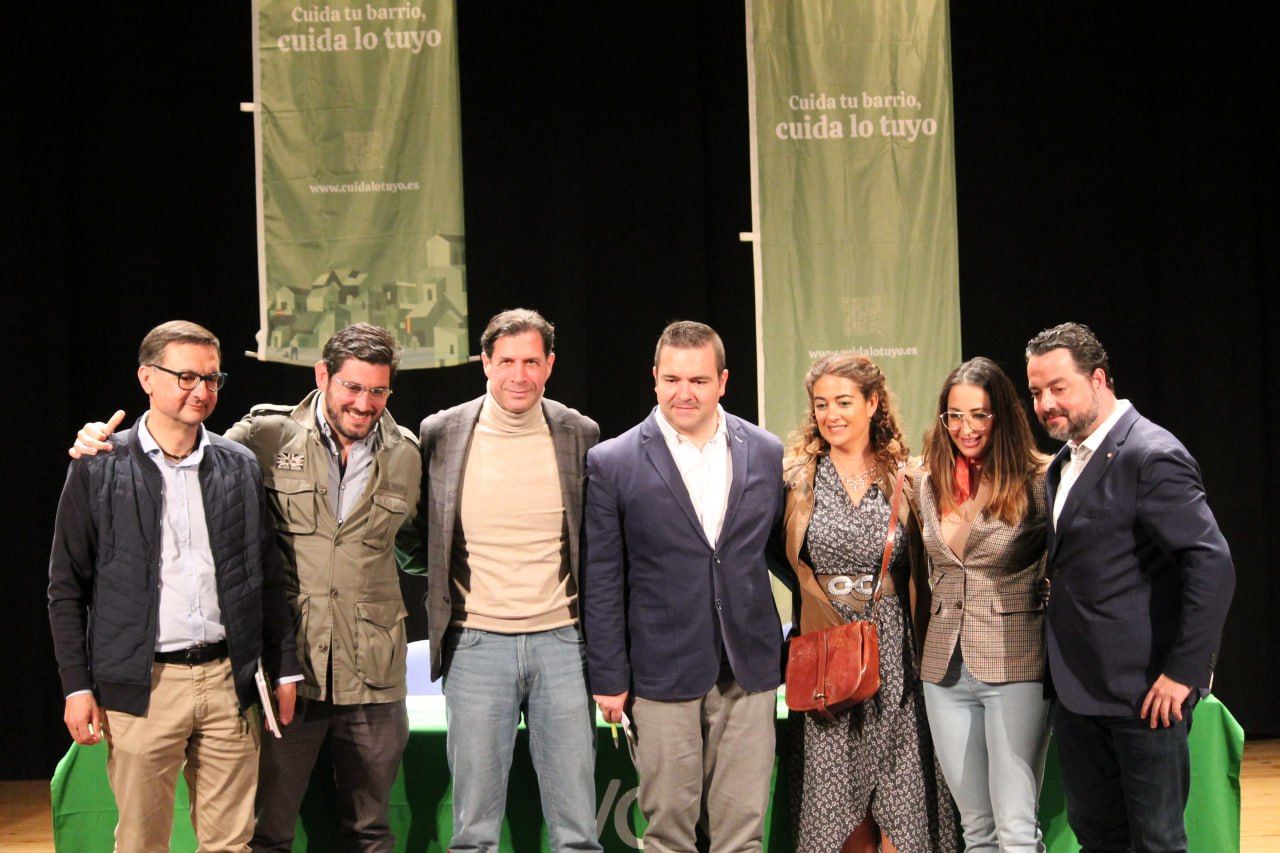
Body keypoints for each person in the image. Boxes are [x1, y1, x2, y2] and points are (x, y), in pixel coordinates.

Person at [70, 323, 422, 852]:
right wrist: (99, 440)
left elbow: (419, 551)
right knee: (264, 830)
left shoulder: (408, 454)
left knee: (370, 829)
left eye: (378, 390)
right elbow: (180, 438)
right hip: (285, 670)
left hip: (370, 671)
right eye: (352, 386)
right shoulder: (262, 437)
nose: (364, 402)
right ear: (323, 376)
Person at [49, 320, 299, 852]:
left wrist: (283, 666)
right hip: (145, 686)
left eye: (212, 378)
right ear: (146, 377)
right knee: (142, 841)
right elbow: (66, 585)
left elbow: (268, 578)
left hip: (228, 680)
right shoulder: (99, 464)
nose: (201, 391)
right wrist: (77, 686)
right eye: (185, 376)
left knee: (231, 843)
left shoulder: (238, 466)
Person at [397, 308, 603, 852]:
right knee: (474, 831)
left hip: (563, 644)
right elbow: (418, 535)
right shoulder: (442, 432)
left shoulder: (579, 433)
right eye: (506, 360)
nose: (519, 374)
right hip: (476, 644)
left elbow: (594, 541)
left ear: (550, 365)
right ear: (485, 362)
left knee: (578, 829)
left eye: (531, 361)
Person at [1025, 322, 1234, 852]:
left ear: (1099, 380)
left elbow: (1211, 565)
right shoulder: (1063, 464)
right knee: (1098, 837)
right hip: (1078, 696)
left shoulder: (1150, 454)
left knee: (1156, 841)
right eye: (1035, 392)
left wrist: (1184, 674)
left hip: (1145, 698)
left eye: (1058, 388)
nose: (1045, 403)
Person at [582, 320, 785, 851]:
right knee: (669, 830)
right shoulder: (613, 461)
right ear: (654, 379)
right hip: (659, 672)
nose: (684, 392)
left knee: (742, 831)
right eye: (672, 379)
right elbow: (602, 580)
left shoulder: (765, 450)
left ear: (722, 381)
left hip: (748, 669)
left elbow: (780, 551)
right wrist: (608, 677)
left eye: (697, 380)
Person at [779, 352, 955, 853]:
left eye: (843, 402)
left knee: (903, 815)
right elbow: (780, 554)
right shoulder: (797, 479)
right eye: (820, 405)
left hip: (896, 660)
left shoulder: (908, 475)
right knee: (838, 820)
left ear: (873, 403)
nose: (831, 414)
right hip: (827, 659)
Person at [912, 357, 1050, 852]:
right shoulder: (927, 481)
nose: (965, 428)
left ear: (1002, 417)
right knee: (976, 828)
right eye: (954, 415)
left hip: (1015, 663)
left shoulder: (1039, 478)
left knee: (1015, 825)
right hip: (944, 669)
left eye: (979, 415)